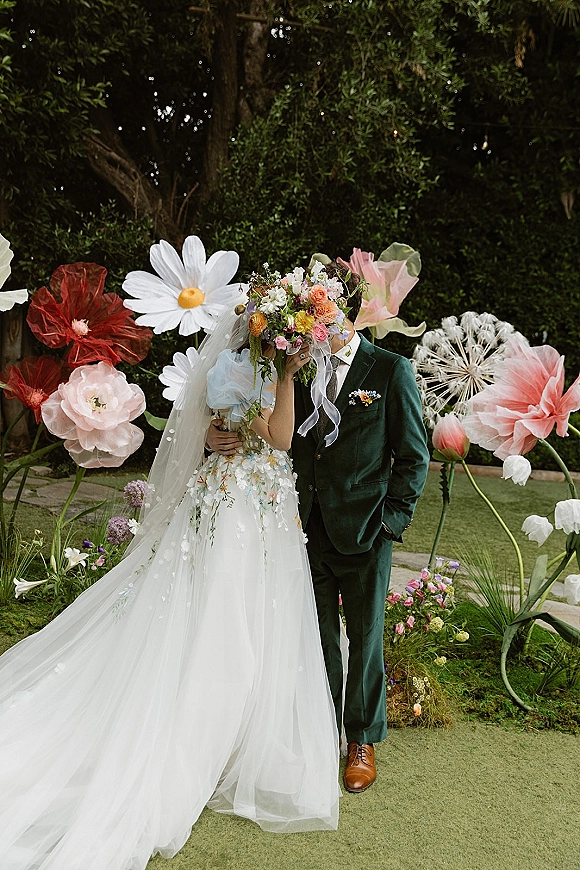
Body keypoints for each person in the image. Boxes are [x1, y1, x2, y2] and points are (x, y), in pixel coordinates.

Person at [0, 304, 340, 870]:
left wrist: (224, 423)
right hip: (243, 500)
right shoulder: (255, 371)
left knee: (239, 602)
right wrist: (285, 376)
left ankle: (239, 723)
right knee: (231, 606)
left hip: (246, 497)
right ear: (274, 339)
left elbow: (212, 423)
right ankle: (217, 721)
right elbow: (280, 438)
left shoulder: (231, 368)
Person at [208, 263, 430, 794]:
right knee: (317, 636)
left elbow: (414, 458)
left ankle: (362, 740)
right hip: (302, 525)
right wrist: (220, 430)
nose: (320, 322)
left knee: (367, 636)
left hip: (365, 527)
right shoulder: (298, 366)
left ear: (348, 312)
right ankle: (322, 729)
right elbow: (264, 420)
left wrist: (390, 522)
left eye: (326, 311)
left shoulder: (389, 371)